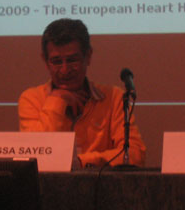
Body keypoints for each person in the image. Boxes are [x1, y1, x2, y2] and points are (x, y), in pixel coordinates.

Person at [18, 18, 146, 167]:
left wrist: (80, 162)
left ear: (88, 56)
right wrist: (58, 99)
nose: (65, 70)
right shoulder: (31, 99)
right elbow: (35, 156)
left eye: (72, 60)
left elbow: (135, 154)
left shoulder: (114, 98)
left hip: (100, 182)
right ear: (45, 61)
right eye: (57, 61)